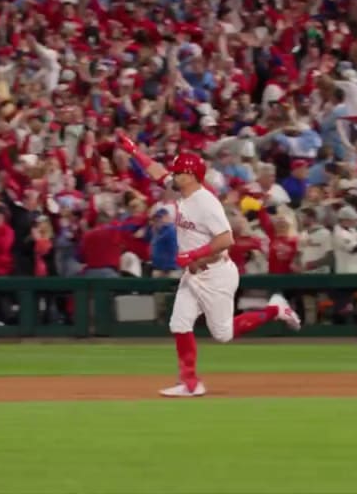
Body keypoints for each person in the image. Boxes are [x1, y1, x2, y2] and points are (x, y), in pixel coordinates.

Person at [116, 131, 301, 398]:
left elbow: (226, 239)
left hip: (216, 274)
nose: (174, 175)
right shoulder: (184, 192)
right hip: (194, 275)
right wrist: (134, 151)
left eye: (179, 171)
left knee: (223, 333)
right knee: (179, 323)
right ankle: (190, 383)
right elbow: (158, 172)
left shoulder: (206, 202)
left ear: (190, 175)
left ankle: (275, 309)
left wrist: (192, 256)